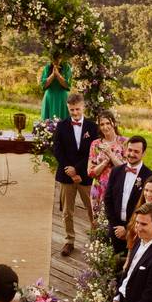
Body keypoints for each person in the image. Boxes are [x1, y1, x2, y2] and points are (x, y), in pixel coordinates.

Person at [53, 94, 98, 257]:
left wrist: (77, 170)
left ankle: (96, 240)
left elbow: (93, 152)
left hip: (85, 175)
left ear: (83, 107)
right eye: (71, 110)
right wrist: (69, 170)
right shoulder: (61, 126)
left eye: (77, 109)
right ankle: (69, 241)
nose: (75, 112)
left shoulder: (92, 127)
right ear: (68, 108)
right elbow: (57, 150)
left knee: (92, 209)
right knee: (67, 211)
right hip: (66, 176)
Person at [103, 135, 152, 255]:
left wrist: (127, 229)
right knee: (113, 264)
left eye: (136, 151)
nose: (131, 154)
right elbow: (108, 199)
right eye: (129, 150)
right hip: (115, 229)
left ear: (143, 153)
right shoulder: (116, 171)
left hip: (137, 232)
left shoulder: (150, 177)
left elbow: (147, 207)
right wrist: (116, 226)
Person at [87, 110, 128, 211]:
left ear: (113, 123)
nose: (105, 127)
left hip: (118, 188)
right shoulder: (95, 144)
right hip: (99, 189)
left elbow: (126, 169)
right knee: (98, 224)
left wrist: (110, 154)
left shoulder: (125, 142)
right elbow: (90, 172)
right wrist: (105, 162)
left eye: (108, 123)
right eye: (102, 124)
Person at [39, 54, 72, 120]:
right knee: (47, 124)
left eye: (59, 58)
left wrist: (58, 75)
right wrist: (53, 75)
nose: (56, 60)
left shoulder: (66, 67)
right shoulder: (47, 67)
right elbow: (43, 85)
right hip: (49, 98)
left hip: (62, 98)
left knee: (62, 122)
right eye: (54, 58)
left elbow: (67, 85)